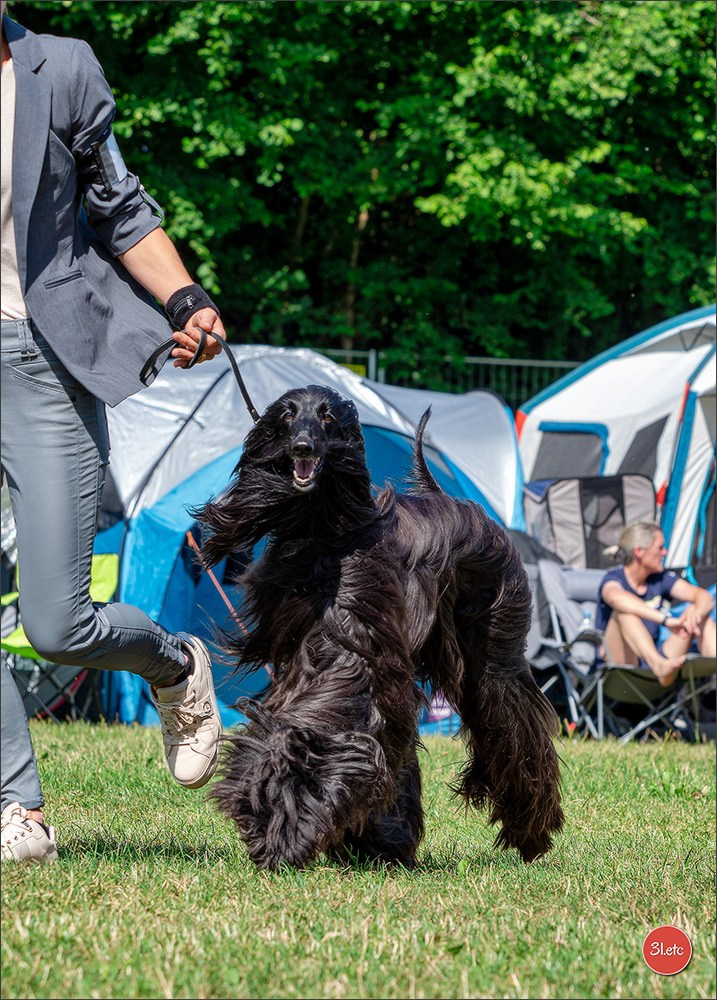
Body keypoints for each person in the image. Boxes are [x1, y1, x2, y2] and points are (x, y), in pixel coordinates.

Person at [1, 5, 227, 863]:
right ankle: (17, 809)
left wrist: (183, 298)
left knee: (58, 624)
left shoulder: (60, 70)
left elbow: (121, 207)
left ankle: (174, 664)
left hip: (37, 358)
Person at [596, 520, 716, 688]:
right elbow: (616, 599)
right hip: (621, 670)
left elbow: (704, 597)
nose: (665, 552)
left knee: (697, 614)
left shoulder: (659, 578)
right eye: (660, 548)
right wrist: (665, 620)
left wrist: (696, 613)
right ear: (639, 551)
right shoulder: (614, 578)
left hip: (657, 665)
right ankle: (658, 664)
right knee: (623, 613)